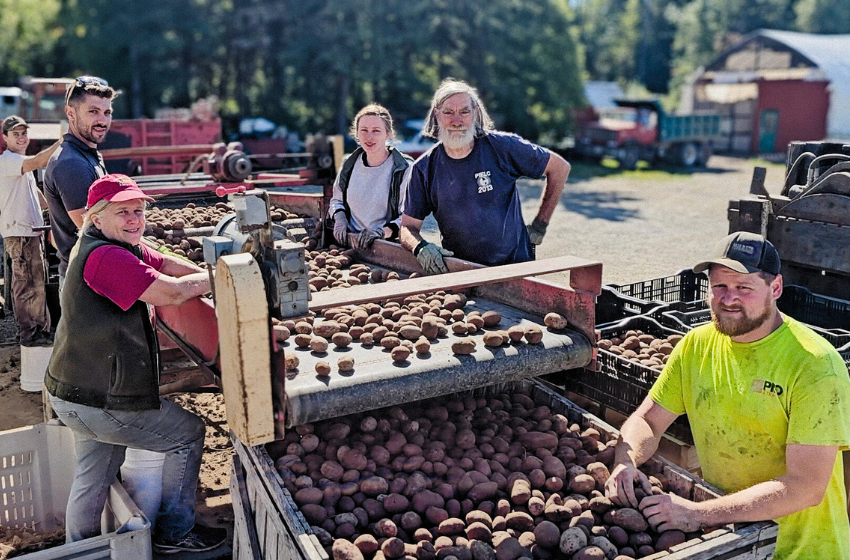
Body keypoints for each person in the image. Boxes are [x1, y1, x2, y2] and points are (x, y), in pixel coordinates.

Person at [606, 232, 850, 560]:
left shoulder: (815, 365)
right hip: (732, 535)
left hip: (801, 548)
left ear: (775, 288)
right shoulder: (696, 346)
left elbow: (805, 487)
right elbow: (649, 420)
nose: (728, 298)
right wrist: (625, 461)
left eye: (743, 288)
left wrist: (697, 513)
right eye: (719, 286)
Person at [44, 174, 228, 554]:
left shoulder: (108, 244)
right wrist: (227, 275)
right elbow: (172, 293)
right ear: (96, 217)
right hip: (99, 400)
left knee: (94, 477)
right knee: (187, 435)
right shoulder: (106, 257)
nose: (134, 219)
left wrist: (205, 273)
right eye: (123, 212)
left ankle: (78, 550)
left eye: (139, 211)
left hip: (73, 393)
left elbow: (166, 264)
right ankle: (175, 534)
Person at [399, 78, 570, 274]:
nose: (456, 121)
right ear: (436, 114)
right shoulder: (424, 168)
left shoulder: (502, 147)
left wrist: (540, 225)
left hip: (516, 267)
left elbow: (559, 168)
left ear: (476, 113)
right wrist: (420, 247)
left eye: (464, 111)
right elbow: (408, 228)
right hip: (462, 272)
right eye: (448, 112)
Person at [43, 76, 116, 284]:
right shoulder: (71, 164)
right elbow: (94, 228)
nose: (102, 120)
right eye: (93, 111)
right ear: (71, 113)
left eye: (107, 112)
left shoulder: (87, 154)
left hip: (95, 270)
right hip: (86, 281)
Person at [0, 115, 61, 346]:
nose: (21, 138)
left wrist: (58, 212)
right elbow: (40, 161)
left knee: (37, 283)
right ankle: (28, 335)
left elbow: (38, 196)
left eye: (24, 133)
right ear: (5, 137)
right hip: (19, 233)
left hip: (32, 232)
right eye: (16, 134)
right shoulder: (9, 161)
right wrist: (63, 141)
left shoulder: (21, 162)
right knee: (25, 285)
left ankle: (40, 331)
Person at [330, 104, 413, 251]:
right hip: (351, 244)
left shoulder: (404, 169)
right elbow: (337, 200)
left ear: (388, 134)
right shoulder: (349, 164)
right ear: (356, 133)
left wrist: (382, 232)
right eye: (364, 130)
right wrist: (340, 219)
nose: (369, 137)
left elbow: (409, 217)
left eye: (376, 131)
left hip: (388, 247)